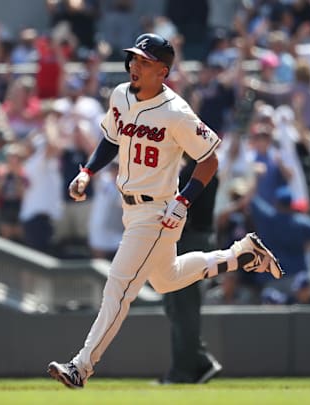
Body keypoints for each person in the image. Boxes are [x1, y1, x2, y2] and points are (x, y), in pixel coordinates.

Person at [47, 33, 282, 389]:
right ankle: (241, 254)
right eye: (133, 59)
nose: (134, 66)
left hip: (158, 210)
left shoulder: (177, 112)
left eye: (143, 61)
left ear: (163, 71)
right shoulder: (120, 95)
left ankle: (81, 365)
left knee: (118, 288)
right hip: (130, 209)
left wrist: (183, 200)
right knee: (166, 278)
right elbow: (112, 139)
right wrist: (86, 171)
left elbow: (209, 160)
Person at [160, 157, 222, 385]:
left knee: (182, 306)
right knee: (176, 305)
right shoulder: (199, 168)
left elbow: (183, 213)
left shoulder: (197, 171)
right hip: (194, 238)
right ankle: (200, 361)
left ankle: (183, 372)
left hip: (189, 239)